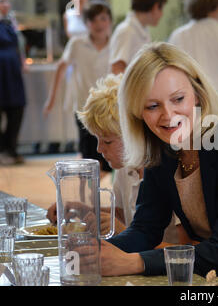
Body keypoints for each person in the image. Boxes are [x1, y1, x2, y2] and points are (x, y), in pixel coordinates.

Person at [100, 42, 218, 283]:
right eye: (153, 106)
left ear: (197, 95)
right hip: (212, 275)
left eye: (178, 99)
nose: (168, 115)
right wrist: (98, 249)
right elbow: (145, 230)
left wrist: (135, 261)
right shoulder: (163, 148)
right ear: (137, 112)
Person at [46, 73, 185, 246]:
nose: (99, 149)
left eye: (107, 141)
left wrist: (126, 233)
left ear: (135, 135)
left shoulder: (173, 172)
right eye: (97, 139)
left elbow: (186, 253)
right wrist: (84, 211)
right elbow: (123, 214)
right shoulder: (124, 169)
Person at [43, 0, 113, 174]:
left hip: (110, 109)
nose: (99, 24)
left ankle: (111, 196)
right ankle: (87, 197)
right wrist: (51, 100)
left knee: (111, 157)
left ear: (110, 21)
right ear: (86, 23)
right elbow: (61, 67)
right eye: (93, 20)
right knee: (88, 155)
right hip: (84, 108)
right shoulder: (77, 43)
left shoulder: (116, 44)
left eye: (103, 18)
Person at [109, 0, 167, 75]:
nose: (162, 14)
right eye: (161, 9)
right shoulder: (126, 30)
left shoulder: (143, 29)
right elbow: (117, 69)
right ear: (155, 7)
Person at [0, 0, 26, 165]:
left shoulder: (11, 22)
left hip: (13, 72)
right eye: (2, 1)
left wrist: (22, 61)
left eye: (7, 1)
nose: (5, 4)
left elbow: (19, 45)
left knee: (17, 109)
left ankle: (11, 149)